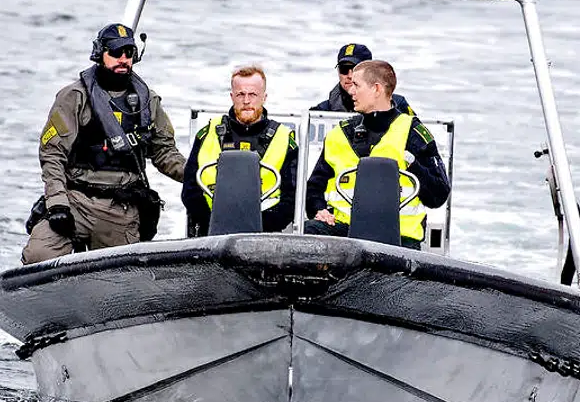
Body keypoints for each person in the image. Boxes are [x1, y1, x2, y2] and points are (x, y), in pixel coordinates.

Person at [21, 23, 186, 264]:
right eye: (115, 53)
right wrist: (57, 204)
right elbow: (52, 155)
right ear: (100, 54)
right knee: (39, 256)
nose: (123, 59)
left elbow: (165, 153)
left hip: (120, 208)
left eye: (128, 53)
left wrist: (201, 174)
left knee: (121, 275)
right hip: (74, 199)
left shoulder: (147, 102)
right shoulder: (74, 97)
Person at [304, 59, 449, 249]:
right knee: (308, 233)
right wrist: (319, 209)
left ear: (377, 89)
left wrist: (412, 165)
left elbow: (438, 195)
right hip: (344, 234)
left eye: (356, 85)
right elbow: (313, 188)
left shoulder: (412, 133)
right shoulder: (340, 133)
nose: (350, 91)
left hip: (398, 240)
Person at [182, 65, 298, 235]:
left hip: (265, 235)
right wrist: (216, 222)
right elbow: (190, 191)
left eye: (252, 94)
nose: (246, 101)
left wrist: (254, 227)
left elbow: (291, 200)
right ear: (232, 97)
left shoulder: (285, 139)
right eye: (240, 94)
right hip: (211, 233)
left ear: (264, 97)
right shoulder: (208, 133)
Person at [310, 42, 414, 115]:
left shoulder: (396, 104)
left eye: (356, 69)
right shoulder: (321, 112)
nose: (350, 75)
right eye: (344, 69)